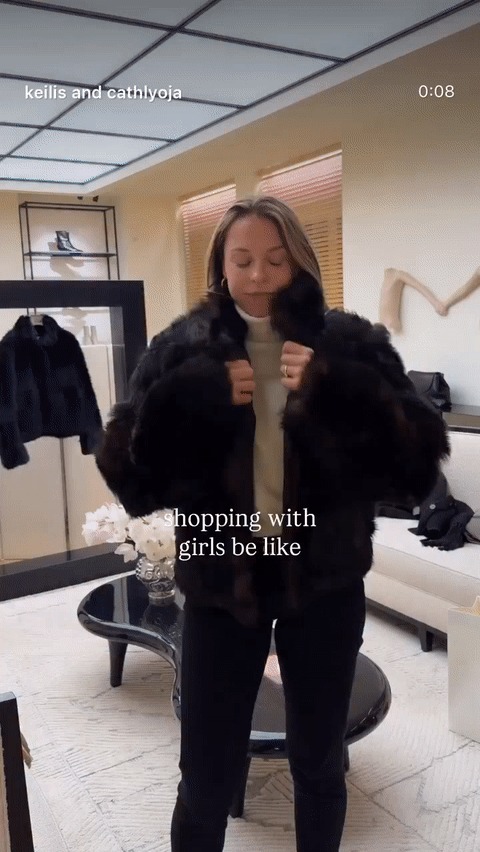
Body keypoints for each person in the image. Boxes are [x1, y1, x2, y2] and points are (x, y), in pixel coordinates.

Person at [94, 196, 449, 852]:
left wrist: (338, 389)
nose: (259, 275)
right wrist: (189, 401)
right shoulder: (182, 349)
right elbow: (128, 473)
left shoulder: (348, 344)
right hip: (220, 582)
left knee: (320, 765)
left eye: (275, 260)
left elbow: (417, 465)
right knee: (205, 776)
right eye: (243, 260)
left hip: (326, 583)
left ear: (299, 262)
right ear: (221, 267)